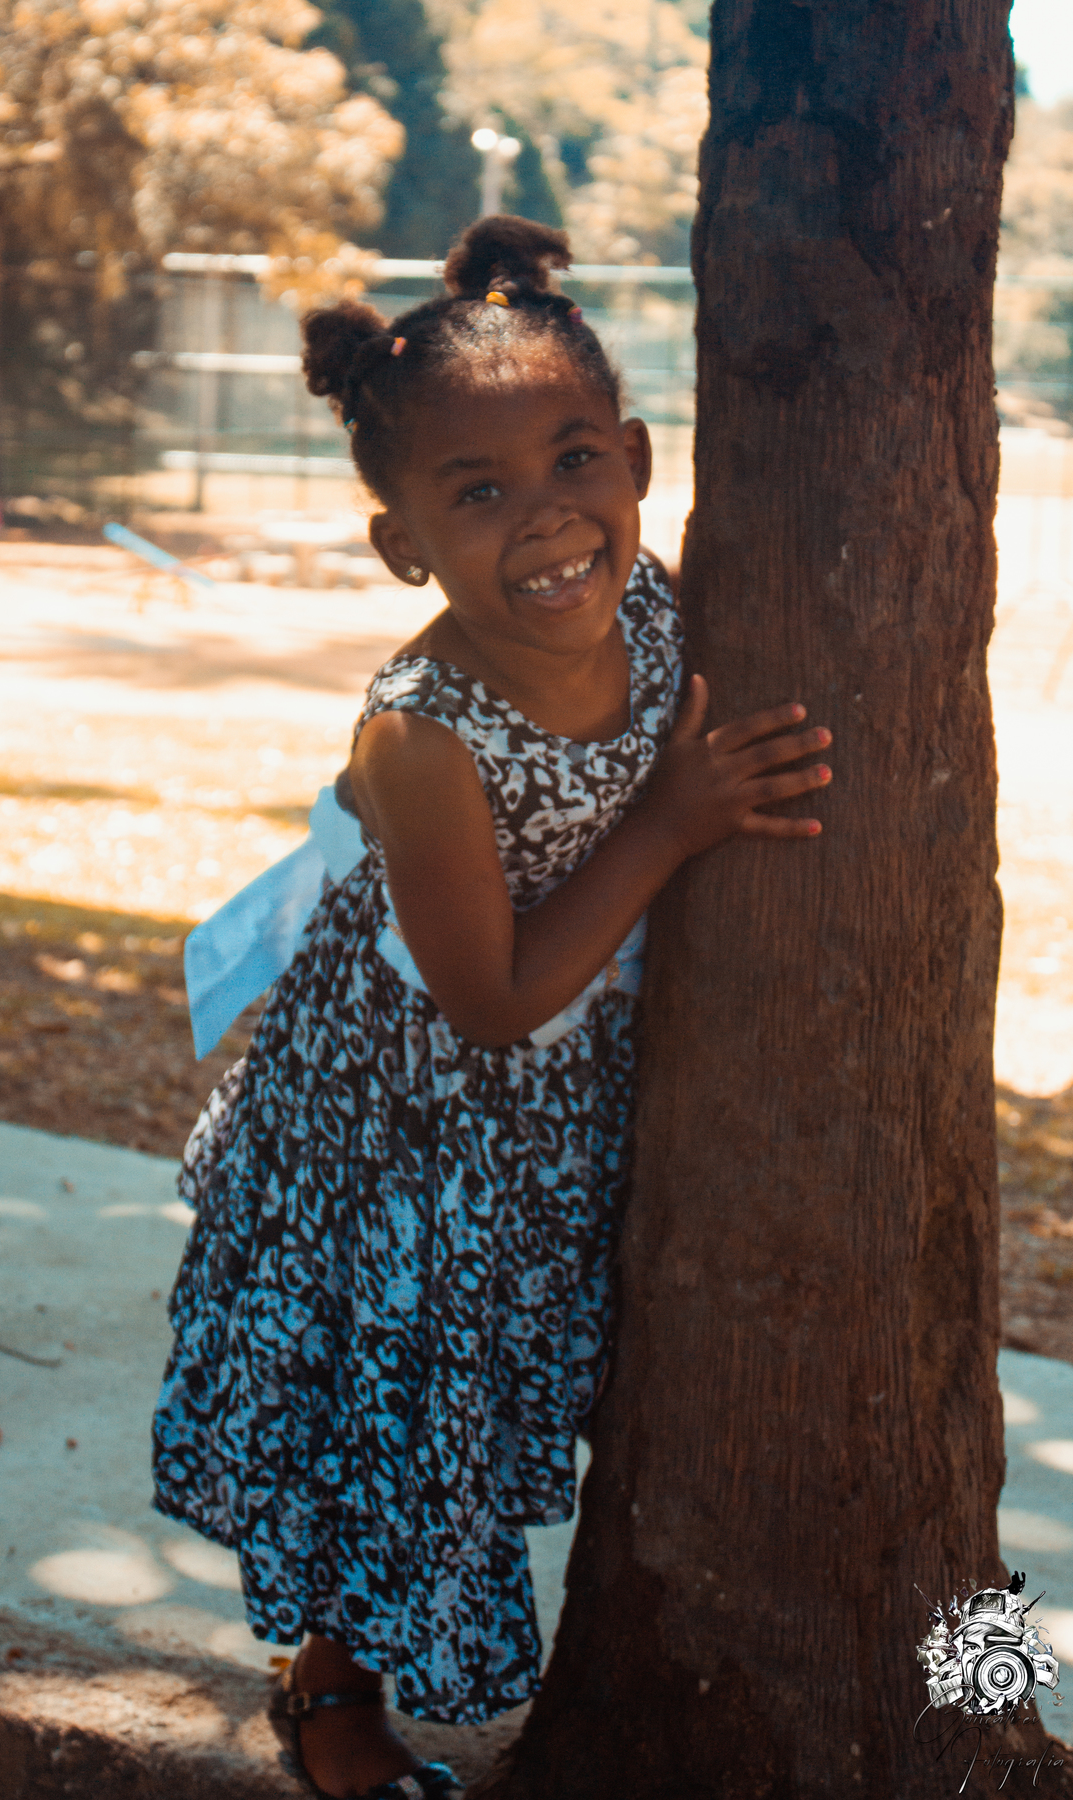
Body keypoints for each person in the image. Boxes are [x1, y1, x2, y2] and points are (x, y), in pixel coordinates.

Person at [151, 216, 833, 1800]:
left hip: (555, 1105)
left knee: (515, 1383)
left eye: (575, 459)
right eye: (479, 492)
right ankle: (335, 1692)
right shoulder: (424, 735)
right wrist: (671, 820)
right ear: (404, 545)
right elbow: (494, 999)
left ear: (638, 461)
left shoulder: (658, 607)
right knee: (401, 1407)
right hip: (403, 1123)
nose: (547, 517)